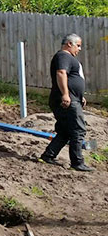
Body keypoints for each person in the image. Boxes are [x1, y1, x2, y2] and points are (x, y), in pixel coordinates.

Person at [40, 33, 94, 171]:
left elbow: (72, 79)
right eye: (78, 45)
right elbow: (61, 73)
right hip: (66, 100)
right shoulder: (63, 56)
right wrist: (65, 94)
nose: (80, 49)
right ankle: (77, 162)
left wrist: (79, 95)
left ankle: (48, 155)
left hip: (71, 98)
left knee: (65, 131)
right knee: (78, 130)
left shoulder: (68, 58)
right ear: (69, 44)